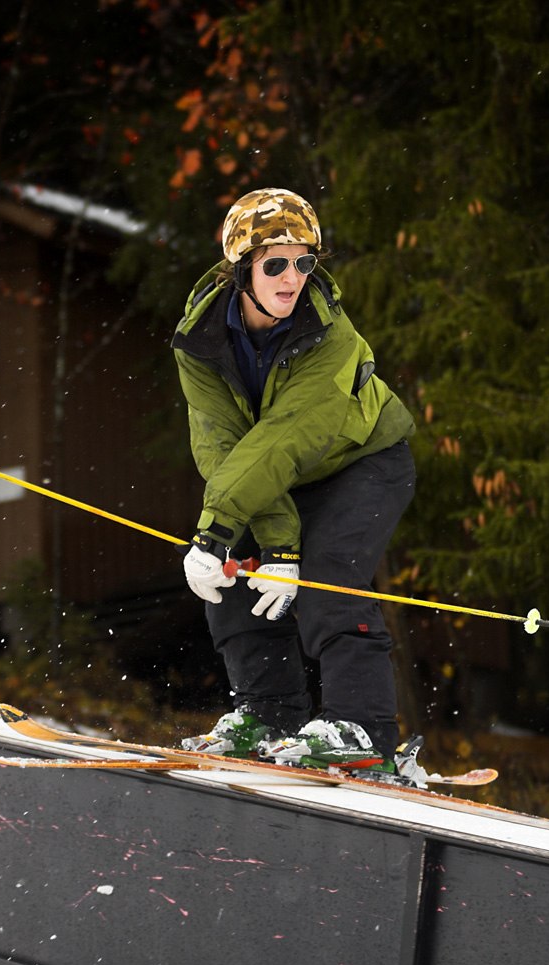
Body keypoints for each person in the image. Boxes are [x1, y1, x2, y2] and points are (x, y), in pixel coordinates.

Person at [172, 187, 419, 783]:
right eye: (275, 263)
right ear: (240, 270)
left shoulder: (328, 338)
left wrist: (284, 552)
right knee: (236, 563)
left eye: (305, 262)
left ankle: (363, 731)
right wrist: (256, 545)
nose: (292, 278)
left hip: (364, 462)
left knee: (330, 570)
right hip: (278, 469)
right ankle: (269, 715)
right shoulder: (201, 341)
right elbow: (225, 449)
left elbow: (284, 440)